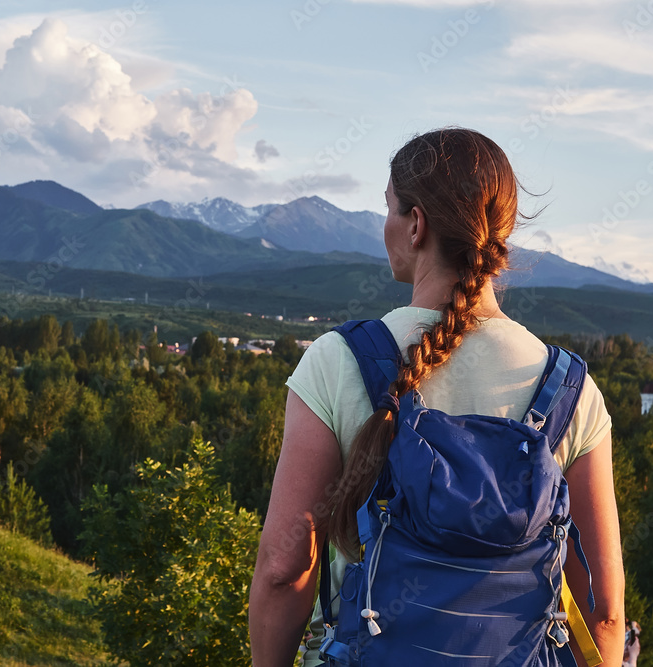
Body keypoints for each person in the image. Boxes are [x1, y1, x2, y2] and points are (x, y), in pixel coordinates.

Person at [249, 128, 625, 666]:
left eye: (388, 210)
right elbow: (603, 608)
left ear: (417, 224)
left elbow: (285, 570)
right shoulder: (570, 388)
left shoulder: (337, 361)